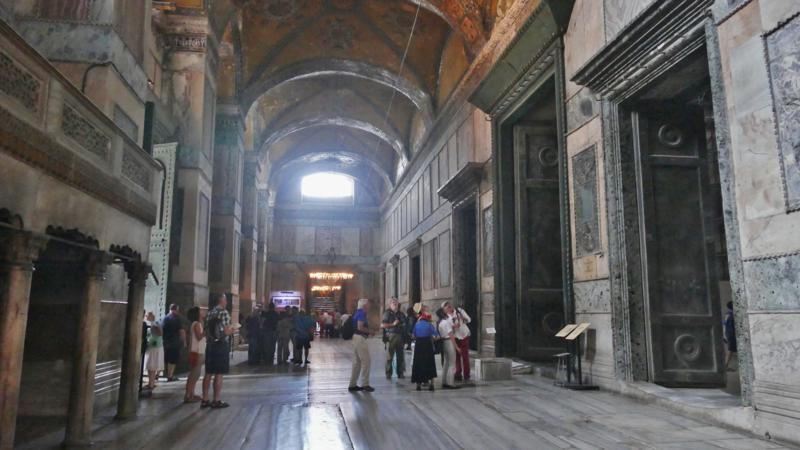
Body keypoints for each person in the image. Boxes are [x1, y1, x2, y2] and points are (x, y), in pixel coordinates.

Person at [202, 294, 233, 409]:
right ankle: (216, 399)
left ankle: (205, 399)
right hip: (221, 345)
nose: (226, 302)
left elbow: (206, 330)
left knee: (208, 373)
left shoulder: (210, 313)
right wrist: (233, 329)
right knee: (219, 373)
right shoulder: (224, 313)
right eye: (225, 299)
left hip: (210, 345)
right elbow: (226, 332)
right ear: (222, 300)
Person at [348, 299, 374, 392]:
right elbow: (360, 327)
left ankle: (352, 384)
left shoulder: (357, 313)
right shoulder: (361, 313)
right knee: (366, 361)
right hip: (360, 339)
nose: (370, 305)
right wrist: (370, 332)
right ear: (364, 306)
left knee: (357, 363)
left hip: (356, 338)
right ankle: (365, 384)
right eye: (368, 304)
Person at [443, 300, 472, 382]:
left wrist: (463, 319)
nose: (449, 309)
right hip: (455, 337)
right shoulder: (446, 316)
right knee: (457, 357)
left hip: (464, 335)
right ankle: (458, 373)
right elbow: (447, 328)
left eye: (449, 306)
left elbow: (469, 320)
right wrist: (453, 327)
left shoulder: (460, 311)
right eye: (446, 308)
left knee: (465, 356)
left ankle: (467, 375)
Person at [411, 311, 438, 391]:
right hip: (427, 345)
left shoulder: (417, 324)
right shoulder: (429, 325)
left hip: (419, 345)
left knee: (418, 363)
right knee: (430, 363)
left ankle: (418, 385)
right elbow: (435, 335)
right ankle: (431, 385)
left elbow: (413, 336)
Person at [184, 306, 205, 403]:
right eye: (200, 311)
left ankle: (191, 393)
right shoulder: (196, 324)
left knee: (195, 374)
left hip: (197, 350)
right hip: (196, 351)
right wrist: (206, 332)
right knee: (194, 374)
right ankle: (188, 395)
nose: (202, 312)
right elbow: (199, 337)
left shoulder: (196, 323)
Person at [381, 298, 406, 379]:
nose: (395, 304)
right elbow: (383, 325)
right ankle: (388, 373)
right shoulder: (387, 313)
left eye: (396, 302)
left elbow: (405, 323)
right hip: (391, 335)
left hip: (400, 336)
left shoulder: (401, 314)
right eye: (393, 303)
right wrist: (393, 324)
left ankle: (400, 372)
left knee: (401, 356)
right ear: (390, 304)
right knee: (389, 356)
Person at [161, 304, 186, 382]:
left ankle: (158, 375)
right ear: (175, 310)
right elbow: (181, 330)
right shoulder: (176, 318)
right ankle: (170, 376)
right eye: (177, 310)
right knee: (173, 360)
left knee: (166, 359)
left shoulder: (165, 318)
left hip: (165, 341)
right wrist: (184, 341)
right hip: (174, 342)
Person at [436, 308, 459, 389]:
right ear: (443, 313)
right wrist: (457, 347)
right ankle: (451, 382)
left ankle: (444, 381)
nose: (446, 311)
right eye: (445, 311)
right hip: (449, 341)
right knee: (452, 363)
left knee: (446, 362)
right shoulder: (445, 322)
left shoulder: (440, 322)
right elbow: (451, 335)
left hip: (444, 342)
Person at [143, 311, 163, 390]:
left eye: (147, 315)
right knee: (150, 366)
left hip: (155, 347)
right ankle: (150, 382)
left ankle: (151, 383)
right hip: (152, 346)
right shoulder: (152, 323)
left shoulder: (155, 324)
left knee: (152, 365)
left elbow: (160, 333)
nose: (146, 317)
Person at [723, 301, 737, 371]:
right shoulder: (730, 314)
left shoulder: (729, 314)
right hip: (731, 334)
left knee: (730, 351)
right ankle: (725, 366)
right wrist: (725, 335)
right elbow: (726, 325)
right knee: (730, 351)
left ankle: (725, 366)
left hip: (730, 334)